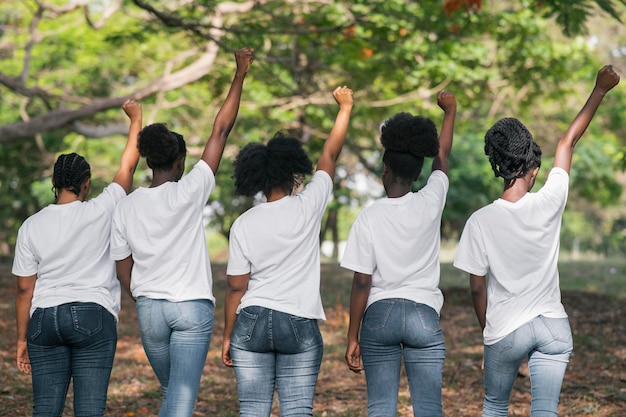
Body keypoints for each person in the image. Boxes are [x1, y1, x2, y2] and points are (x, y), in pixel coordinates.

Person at [453, 65, 620, 416]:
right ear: (533, 171)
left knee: (495, 406)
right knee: (545, 410)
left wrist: (489, 337)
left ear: (497, 166)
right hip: (553, 327)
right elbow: (567, 141)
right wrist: (600, 89)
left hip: (505, 331)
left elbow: (476, 289)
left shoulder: (480, 221)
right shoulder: (550, 202)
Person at [110, 47, 254, 417]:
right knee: (180, 399)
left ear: (148, 161)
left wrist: (140, 295)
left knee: (172, 392)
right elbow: (221, 129)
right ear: (180, 163)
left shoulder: (126, 205)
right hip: (191, 307)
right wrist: (239, 74)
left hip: (150, 311)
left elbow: (121, 263)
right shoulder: (190, 191)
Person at [221, 86, 354, 416]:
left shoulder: (243, 224)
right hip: (297, 320)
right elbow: (329, 156)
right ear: (293, 171)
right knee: (297, 411)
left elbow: (236, 287)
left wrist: (227, 336)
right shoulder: (308, 206)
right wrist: (344, 109)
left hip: (250, 321)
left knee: (252, 410)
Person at [12, 99, 142, 416]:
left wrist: (21, 339)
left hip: (43, 319)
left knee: (45, 407)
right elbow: (127, 166)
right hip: (92, 316)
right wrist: (136, 120)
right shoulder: (102, 208)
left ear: (54, 183)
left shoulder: (31, 225)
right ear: (86, 184)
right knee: (89, 408)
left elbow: (23, 290)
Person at [340, 91, 457, 416]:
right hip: (424, 315)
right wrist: (449, 113)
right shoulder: (431, 200)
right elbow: (443, 155)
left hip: (379, 317)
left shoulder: (369, 216)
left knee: (381, 408)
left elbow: (362, 281)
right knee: (429, 408)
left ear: (384, 169)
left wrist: (353, 336)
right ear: (419, 174)